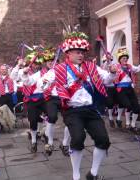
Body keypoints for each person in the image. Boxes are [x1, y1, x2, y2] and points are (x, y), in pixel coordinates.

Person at [52, 30, 116, 180]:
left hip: (90, 109)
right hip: (72, 111)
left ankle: (93, 174)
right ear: (68, 53)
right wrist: (57, 89)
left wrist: (112, 72)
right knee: (78, 139)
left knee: (103, 140)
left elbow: (107, 80)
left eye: (82, 52)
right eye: (76, 52)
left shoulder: (91, 67)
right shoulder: (60, 69)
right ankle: (76, 175)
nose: (80, 55)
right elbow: (44, 84)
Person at [114, 47, 140, 132]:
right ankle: (127, 123)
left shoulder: (130, 66)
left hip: (130, 88)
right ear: (120, 60)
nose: (125, 60)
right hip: (121, 89)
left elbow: (138, 69)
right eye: (123, 58)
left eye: (126, 58)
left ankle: (132, 125)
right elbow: (110, 72)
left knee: (137, 108)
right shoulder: (116, 67)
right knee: (128, 105)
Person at [20, 50, 48, 153]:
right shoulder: (26, 71)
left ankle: (43, 133)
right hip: (31, 99)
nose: (36, 65)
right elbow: (26, 81)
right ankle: (34, 141)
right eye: (35, 63)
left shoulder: (44, 73)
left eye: (38, 64)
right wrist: (24, 72)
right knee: (33, 120)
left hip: (44, 98)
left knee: (49, 117)